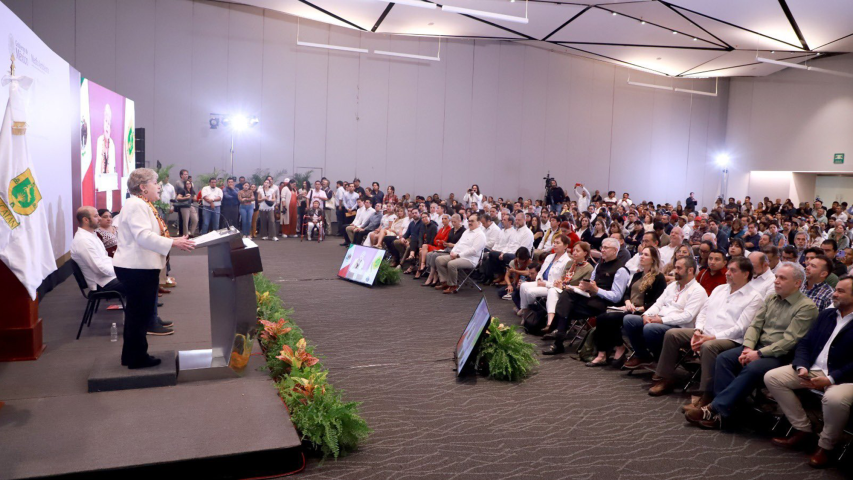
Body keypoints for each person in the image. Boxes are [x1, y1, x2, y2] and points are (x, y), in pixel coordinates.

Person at [684, 262, 818, 429]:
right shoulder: (771, 298)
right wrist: (748, 348)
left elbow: (789, 341)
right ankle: (727, 413)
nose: (776, 281)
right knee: (724, 359)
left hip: (781, 354)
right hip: (757, 347)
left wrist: (758, 353)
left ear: (797, 283)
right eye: (776, 277)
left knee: (753, 368)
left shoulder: (806, 307)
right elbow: (755, 326)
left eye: (782, 278)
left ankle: (715, 408)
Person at [764, 275, 853, 469]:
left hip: (845, 378)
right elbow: (805, 343)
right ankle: (803, 429)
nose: (834, 294)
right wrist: (802, 365)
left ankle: (826, 446)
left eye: (840, 291)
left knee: (835, 399)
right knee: (773, 377)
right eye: (835, 289)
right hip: (813, 368)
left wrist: (830, 379)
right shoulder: (828, 315)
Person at [649, 256, 765, 399]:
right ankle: (665, 378)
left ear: (746, 274)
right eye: (728, 269)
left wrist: (711, 337)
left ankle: (705, 394)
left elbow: (741, 328)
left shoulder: (754, 297)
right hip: (706, 331)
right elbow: (703, 311)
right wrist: (698, 330)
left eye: (733, 270)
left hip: (729, 338)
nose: (727, 273)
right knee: (672, 334)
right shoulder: (720, 289)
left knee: (708, 346)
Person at [113, 169, 195, 369]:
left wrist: (172, 240)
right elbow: (143, 236)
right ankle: (137, 358)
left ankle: (131, 356)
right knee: (139, 315)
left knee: (137, 314)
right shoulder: (136, 205)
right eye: (155, 182)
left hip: (138, 266)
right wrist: (173, 243)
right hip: (136, 268)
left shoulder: (140, 204)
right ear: (143, 187)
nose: (158, 186)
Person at [544, 238, 630, 355]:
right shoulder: (600, 265)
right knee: (567, 295)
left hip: (605, 304)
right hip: (591, 298)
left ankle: (558, 335)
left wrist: (596, 289)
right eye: (602, 247)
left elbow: (616, 297)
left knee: (566, 305)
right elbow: (591, 282)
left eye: (605, 248)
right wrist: (583, 286)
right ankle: (560, 335)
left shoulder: (621, 270)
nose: (602, 250)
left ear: (615, 250)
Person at [622, 256, 708, 369]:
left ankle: (660, 362)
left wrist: (661, 320)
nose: (675, 271)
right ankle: (643, 356)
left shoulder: (698, 291)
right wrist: (646, 315)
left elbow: (687, 316)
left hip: (678, 326)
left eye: (678, 268)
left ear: (690, 270)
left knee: (651, 328)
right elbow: (658, 304)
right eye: (675, 268)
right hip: (660, 319)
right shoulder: (672, 286)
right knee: (629, 320)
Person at [587, 246, 667, 367]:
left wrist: (640, 308)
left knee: (608, 319)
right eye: (641, 254)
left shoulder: (658, 277)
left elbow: (658, 301)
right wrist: (628, 302)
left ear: (653, 259)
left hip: (644, 311)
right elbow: (627, 293)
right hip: (629, 308)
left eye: (646, 255)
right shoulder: (637, 275)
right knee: (602, 317)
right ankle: (604, 352)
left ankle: (618, 348)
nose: (642, 257)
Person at [517, 235, 572, 318]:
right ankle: (525, 309)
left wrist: (545, 284)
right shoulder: (549, 257)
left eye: (558, 243)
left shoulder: (567, 261)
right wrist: (538, 279)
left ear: (565, 246)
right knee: (523, 285)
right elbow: (541, 272)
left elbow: (560, 281)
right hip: (542, 282)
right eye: (554, 242)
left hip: (551, 287)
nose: (555, 245)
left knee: (530, 292)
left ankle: (528, 310)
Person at [434, 214, 486, 294]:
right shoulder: (467, 231)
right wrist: (453, 251)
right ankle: (445, 282)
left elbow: (474, 250)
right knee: (439, 259)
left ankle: (453, 286)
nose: (469, 223)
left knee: (452, 264)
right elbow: (458, 243)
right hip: (458, 256)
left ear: (479, 222)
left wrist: (458, 255)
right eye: (469, 221)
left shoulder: (480, 235)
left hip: (470, 259)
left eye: (472, 221)